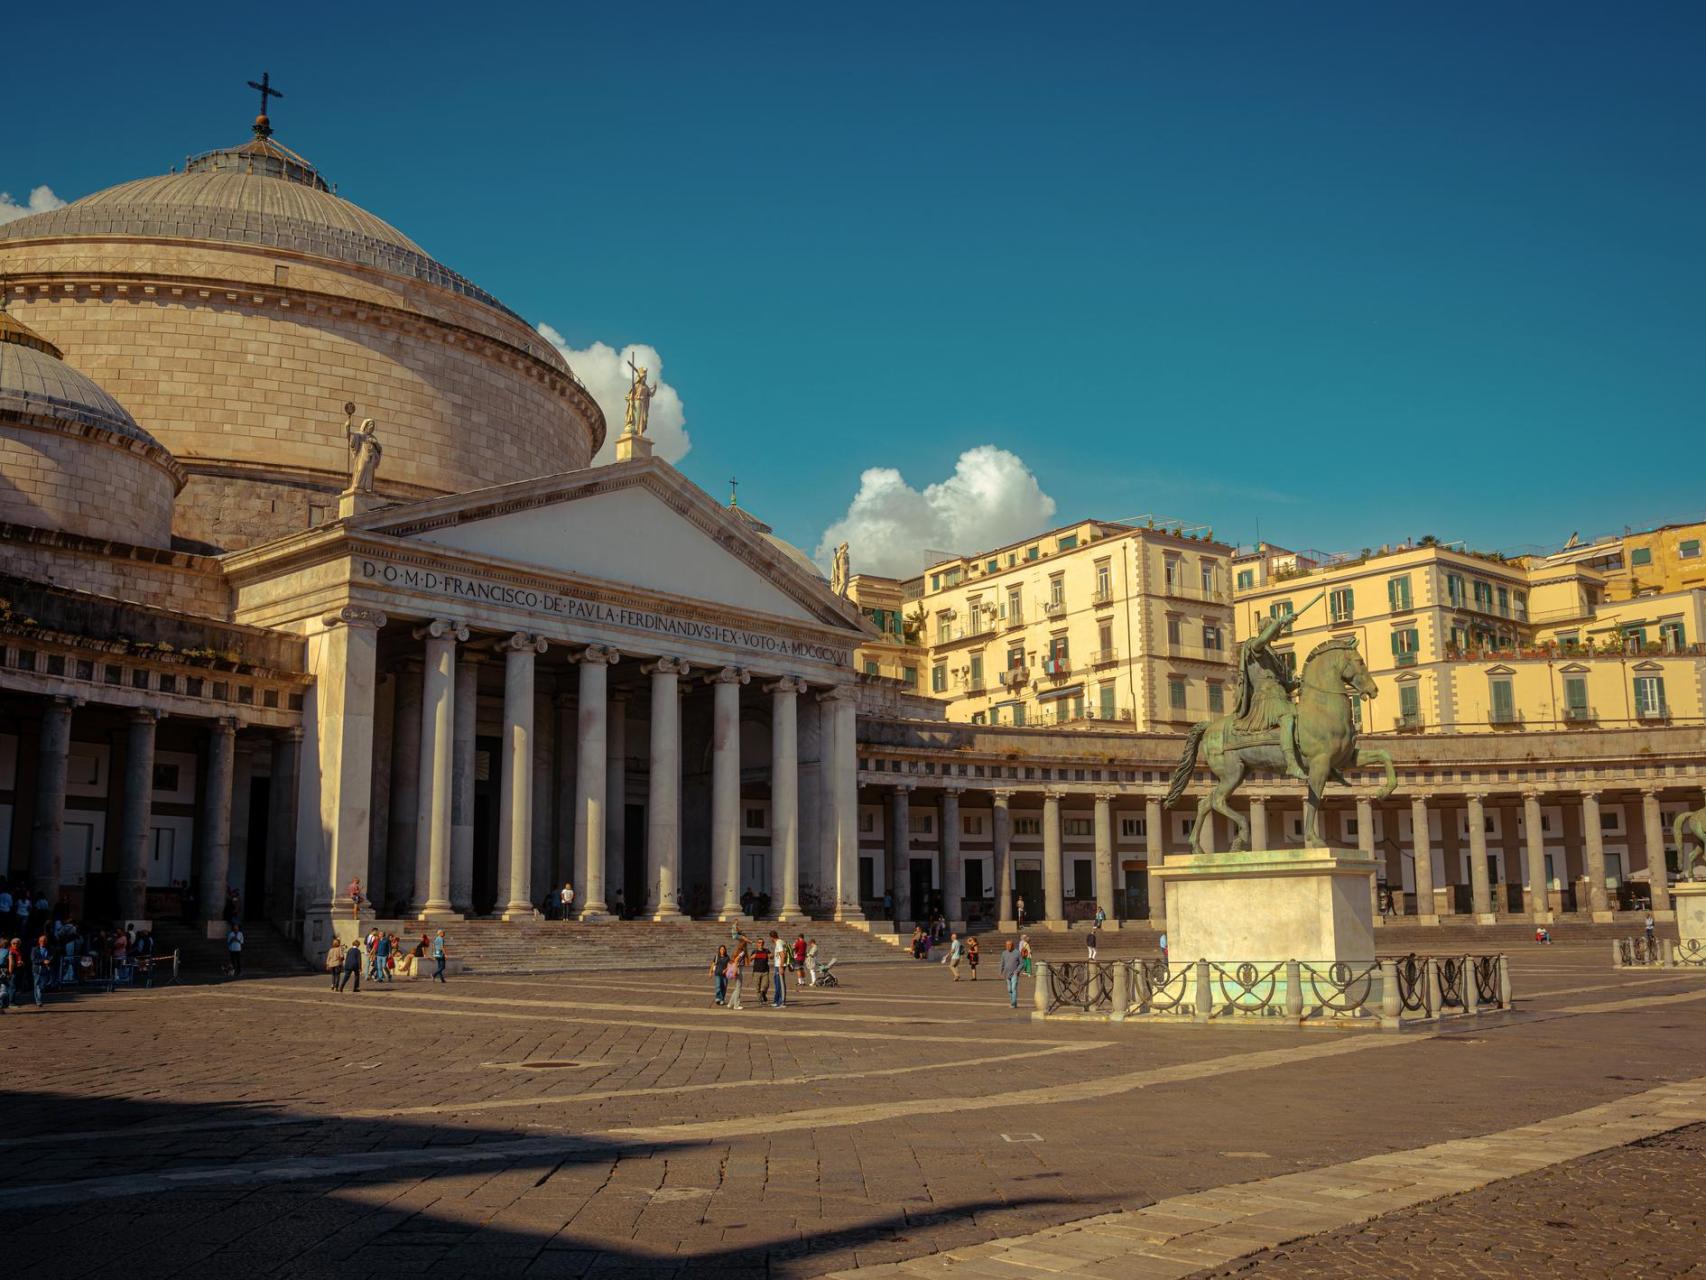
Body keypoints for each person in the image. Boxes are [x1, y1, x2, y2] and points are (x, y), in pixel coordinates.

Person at [999, 940, 1023, 1008]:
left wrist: (1017, 971)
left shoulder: (1017, 953)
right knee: (1009, 989)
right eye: (1007, 945)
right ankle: (1013, 1003)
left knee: (1013, 988)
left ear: (1013, 945)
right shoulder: (1004, 953)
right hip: (1007, 974)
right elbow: (1002, 963)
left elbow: (1022, 963)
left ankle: (1013, 1003)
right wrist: (1000, 972)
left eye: (1009, 945)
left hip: (1014, 973)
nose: (1008, 946)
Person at [727, 941, 747, 1010]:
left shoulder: (736, 951)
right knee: (738, 988)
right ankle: (736, 1005)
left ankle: (730, 1003)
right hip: (738, 969)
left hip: (736, 968)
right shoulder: (742, 952)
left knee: (737, 987)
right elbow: (736, 960)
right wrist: (735, 970)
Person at [31, 935, 50, 1006]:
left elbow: (51, 956)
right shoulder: (34, 949)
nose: (43, 942)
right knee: (37, 985)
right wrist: (43, 961)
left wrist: (49, 961)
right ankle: (38, 1001)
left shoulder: (49, 949)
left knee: (43, 985)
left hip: (46, 970)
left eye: (44, 941)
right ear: (39, 941)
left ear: (46, 942)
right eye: (41, 941)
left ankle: (39, 998)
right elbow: (33, 959)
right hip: (37, 970)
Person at [770, 931, 788, 1008]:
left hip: (779, 966)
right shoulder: (781, 942)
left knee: (780, 984)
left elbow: (783, 955)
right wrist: (773, 955)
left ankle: (781, 1002)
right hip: (778, 965)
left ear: (772, 937)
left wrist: (781, 967)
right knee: (777, 983)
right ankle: (777, 1001)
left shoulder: (778, 943)